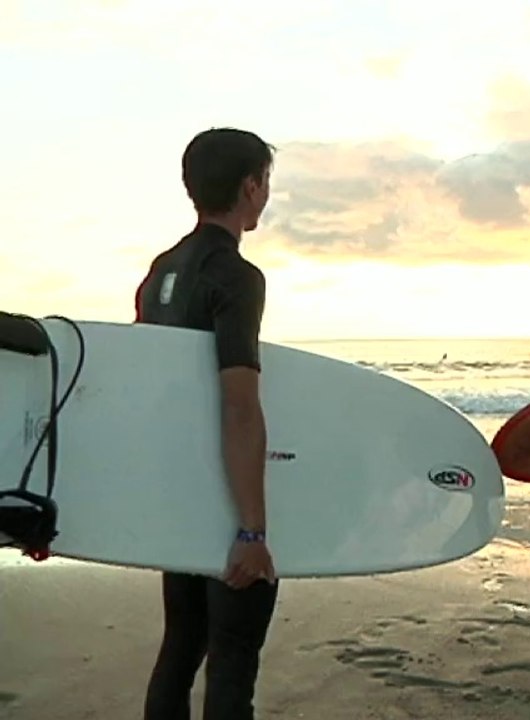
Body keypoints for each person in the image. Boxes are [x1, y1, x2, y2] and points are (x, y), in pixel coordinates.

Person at [135, 127, 279, 720]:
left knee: (181, 647)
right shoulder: (237, 278)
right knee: (233, 660)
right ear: (250, 186)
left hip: (177, 491)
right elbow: (239, 403)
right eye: (266, 182)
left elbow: (151, 392)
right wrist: (250, 531)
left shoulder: (162, 269)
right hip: (221, 499)